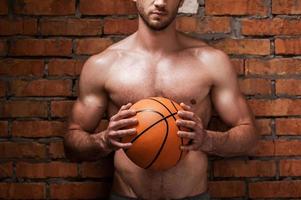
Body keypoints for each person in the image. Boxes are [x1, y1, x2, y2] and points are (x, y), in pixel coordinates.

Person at [64, 0, 258, 199]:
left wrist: (208, 140)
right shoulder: (104, 65)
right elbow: (71, 142)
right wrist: (103, 140)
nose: (160, 2)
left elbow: (249, 136)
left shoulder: (210, 62)